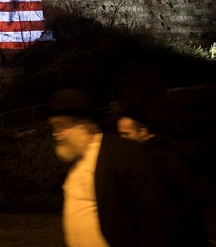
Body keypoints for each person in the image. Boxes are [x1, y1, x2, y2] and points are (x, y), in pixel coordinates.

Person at [47, 88, 177, 247]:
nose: (55, 134)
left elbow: (157, 218)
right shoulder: (76, 165)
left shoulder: (124, 154)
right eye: (53, 127)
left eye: (60, 125)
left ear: (84, 124)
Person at [116, 110, 210, 247]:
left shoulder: (162, 155)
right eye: (120, 134)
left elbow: (184, 195)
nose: (121, 139)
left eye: (126, 134)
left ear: (142, 131)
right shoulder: (147, 153)